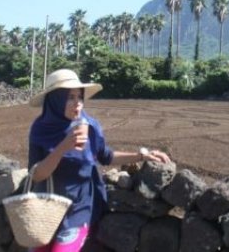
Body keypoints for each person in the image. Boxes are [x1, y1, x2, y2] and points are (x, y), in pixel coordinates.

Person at [28, 68, 170, 252]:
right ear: (55, 100)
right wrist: (63, 147)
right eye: (69, 97)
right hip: (46, 208)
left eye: (80, 97)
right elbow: (37, 175)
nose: (77, 103)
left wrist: (142, 155)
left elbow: (106, 156)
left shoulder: (90, 126)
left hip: (78, 209)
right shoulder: (40, 129)